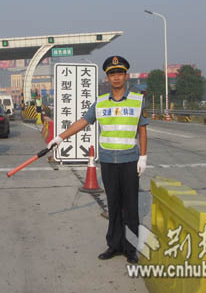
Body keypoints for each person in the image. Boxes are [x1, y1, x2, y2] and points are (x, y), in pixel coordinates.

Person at [48, 55, 148, 264]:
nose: (116, 77)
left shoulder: (138, 100)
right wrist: (60, 137)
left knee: (130, 207)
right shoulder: (100, 103)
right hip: (108, 162)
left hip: (130, 160)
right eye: (112, 74)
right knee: (113, 205)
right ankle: (114, 245)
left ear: (125, 76)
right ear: (107, 78)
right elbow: (83, 122)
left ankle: (130, 248)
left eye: (120, 73)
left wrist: (143, 157)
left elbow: (142, 129)